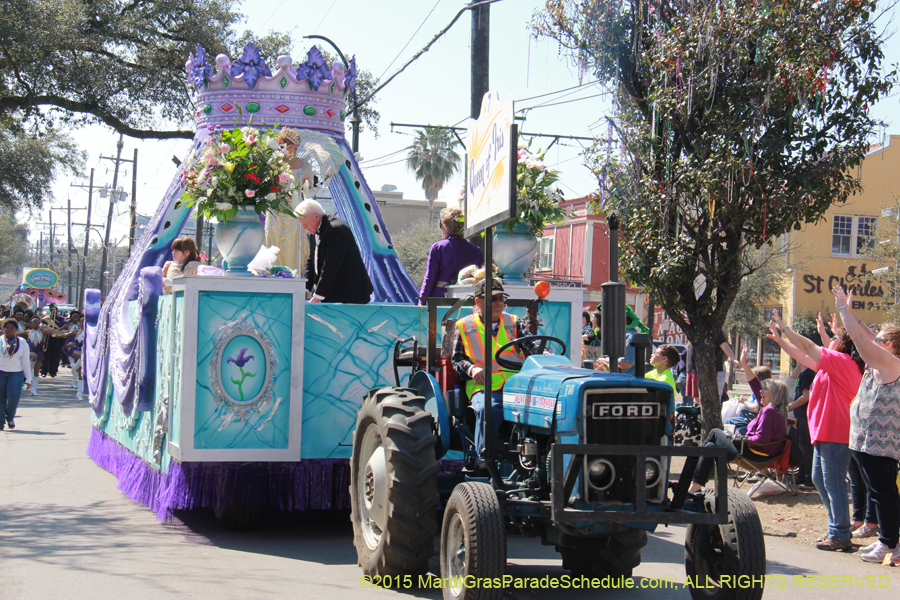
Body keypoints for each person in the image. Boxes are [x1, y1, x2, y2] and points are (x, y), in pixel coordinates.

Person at [767, 309, 864, 551]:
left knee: (833, 483)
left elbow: (809, 347)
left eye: (833, 338)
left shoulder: (843, 362)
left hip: (837, 432)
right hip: (824, 432)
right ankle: (836, 528)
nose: (828, 340)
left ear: (840, 345)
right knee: (821, 480)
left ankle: (840, 533)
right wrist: (781, 341)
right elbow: (803, 354)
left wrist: (786, 328)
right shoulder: (832, 365)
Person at [831, 286, 900, 563]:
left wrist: (842, 310)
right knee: (879, 492)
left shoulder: (891, 363)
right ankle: (888, 542)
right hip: (866, 441)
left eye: (882, 338)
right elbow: (867, 335)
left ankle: (889, 544)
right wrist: (850, 312)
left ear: (892, 345)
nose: (877, 340)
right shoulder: (882, 359)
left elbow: (862, 341)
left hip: (881, 443)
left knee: (884, 493)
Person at [451, 279, 530, 457]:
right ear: (477, 302)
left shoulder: (514, 322)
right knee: (488, 408)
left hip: (515, 385)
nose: (499, 303)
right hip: (482, 385)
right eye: (493, 298)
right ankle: (484, 460)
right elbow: (457, 360)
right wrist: (472, 370)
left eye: (501, 298)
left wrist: (546, 355)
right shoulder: (464, 325)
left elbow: (533, 346)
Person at [688, 377, 790, 493]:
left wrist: (738, 438)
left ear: (775, 394)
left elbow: (762, 439)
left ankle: (693, 478)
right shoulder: (780, 412)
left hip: (755, 455)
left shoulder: (768, 411)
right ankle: (695, 486)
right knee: (711, 446)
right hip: (766, 455)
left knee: (714, 433)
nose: (760, 391)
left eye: (765, 389)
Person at [298, 199, 373, 304]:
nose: (304, 228)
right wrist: (305, 289)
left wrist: (317, 297)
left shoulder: (336, 229)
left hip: (349, 294)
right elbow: (311, 261)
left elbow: (330, 265)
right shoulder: (313, 232)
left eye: (305, 224)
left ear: (316, 216)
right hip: (331, 294)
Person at [418, 207, 483, 304]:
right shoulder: (475, 250)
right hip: (467, 300)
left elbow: (429, 279)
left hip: (440, 300)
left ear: (443, 225)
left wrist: (421, 303)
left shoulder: (438, 248)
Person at [1, 318, 32, 429]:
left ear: (16, 329)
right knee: (1, 397)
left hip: (16, 373)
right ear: (2, 329)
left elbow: (25, 362)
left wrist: (28, 379)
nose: (9, 330)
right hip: (1, 372)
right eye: (7, 328)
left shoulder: (22, 342)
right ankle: (1, 422)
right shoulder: (0, 340)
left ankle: (10, 417)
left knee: (14, 396)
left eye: (12, 328)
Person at [646, 344, 680, 435]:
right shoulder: (653, 373)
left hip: (660, 420)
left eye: (655, 353)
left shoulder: (665, 379)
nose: (652, 355)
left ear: (664, 359)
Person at [26, 318, 43, 397]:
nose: (35, 324)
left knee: (37, 371)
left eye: (37, 322)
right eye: (33, 323)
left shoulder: (42, 331)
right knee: (33, 356)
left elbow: (53, 332)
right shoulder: (28, 332)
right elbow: (16, 334)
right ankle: (29, 371)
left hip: (38, 350)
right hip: (29, 350)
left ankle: (34, 389)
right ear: (31, 324)